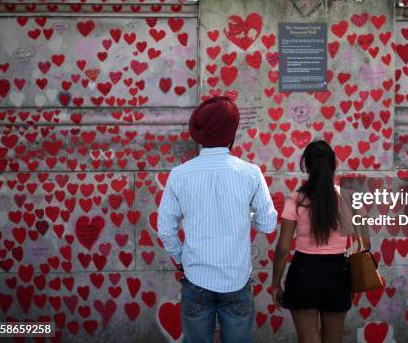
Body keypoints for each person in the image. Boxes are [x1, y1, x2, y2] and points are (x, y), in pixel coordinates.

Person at [158, 95, 278, 343]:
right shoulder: (250, 173)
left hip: (195, 279)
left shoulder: (179, 175)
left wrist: (182, 259)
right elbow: (268, 224)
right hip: (236, 280)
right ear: (231, 132)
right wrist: (247, 215)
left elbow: (166, 229)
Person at [270, 140, 369, 343]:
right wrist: (351, 277)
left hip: (304, 272)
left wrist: (275, 283)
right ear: (335, 165)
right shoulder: (350, 198)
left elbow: (282, 248)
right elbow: (364, 244)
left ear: (306, 166)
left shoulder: (296, 199)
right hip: (339, 273)